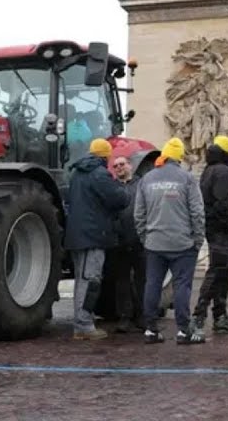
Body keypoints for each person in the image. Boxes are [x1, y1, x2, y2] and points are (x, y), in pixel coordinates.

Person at [136, 137, 207, 345]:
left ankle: (150, 329)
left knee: (152, 285)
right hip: (183, 243)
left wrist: (145, 238)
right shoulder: (187, 178)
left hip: (154, 243)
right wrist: (198, 239)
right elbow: (197, 212)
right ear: (179, 158)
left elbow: (139, 214)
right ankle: (184, 331)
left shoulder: (147, 179)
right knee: (182, 286)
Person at [63, 138, 129, 340]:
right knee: (91, 279)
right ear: (106, 155)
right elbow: (119, 199)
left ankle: (83, 320)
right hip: (93, 235)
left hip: (77, 234)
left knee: (82, 280)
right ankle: (83, 325)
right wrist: (123, 188)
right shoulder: (99, 174)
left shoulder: (76, 173)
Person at [194, 135, 228, 335]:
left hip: (213, 228)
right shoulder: (223, 172)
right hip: (222, 230)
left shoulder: (208, 170)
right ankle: (199, 316)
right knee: (216, 272)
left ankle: (220, 316)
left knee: (223, 274)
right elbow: (223, 202)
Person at [107, 155, 147, 333]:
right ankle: (124, 316)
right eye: (115, 166)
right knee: (121, 281)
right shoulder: (112, 187)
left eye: (122, 164)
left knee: (142, 280)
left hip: (139, 239)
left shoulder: (141, 185)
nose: (119, 168)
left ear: (130, 166)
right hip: (119, 240)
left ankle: (143, 315)